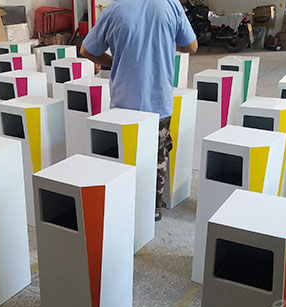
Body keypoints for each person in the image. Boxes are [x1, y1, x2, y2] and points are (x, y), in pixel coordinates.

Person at [80, 0, 198, 221]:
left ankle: (121, 207)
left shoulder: (113, 9)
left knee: (123, 155)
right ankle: (152, 209)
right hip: (158, 100)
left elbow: (87, 49)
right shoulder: (170, 4)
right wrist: (167, 44)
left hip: (123, 102)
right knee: (157, 155)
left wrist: (114, 61)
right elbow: (192, 46)